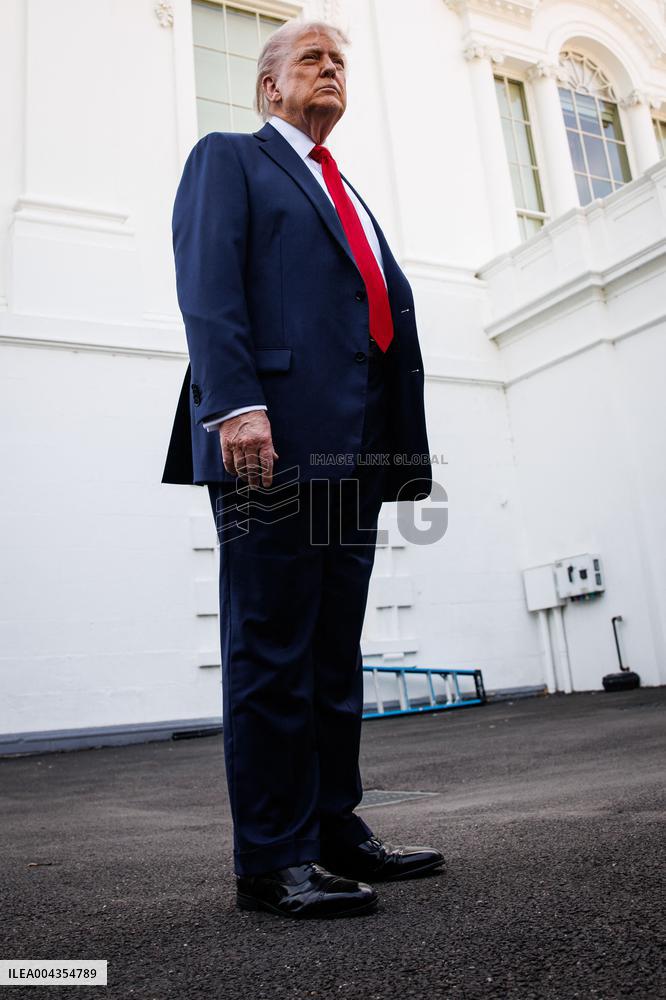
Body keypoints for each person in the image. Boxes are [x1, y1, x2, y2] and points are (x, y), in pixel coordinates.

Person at [162, 19, 443, 919]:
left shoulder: (346, 188)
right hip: (269, 440)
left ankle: (333, 830)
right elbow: (209, 283)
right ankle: (271, 859)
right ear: (268, 87)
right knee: (272, 650)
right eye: (314, 59)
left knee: (331, 653)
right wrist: (234, 403)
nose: (333, 70)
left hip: (352, 450)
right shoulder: (230, 159)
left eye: (342, 61)